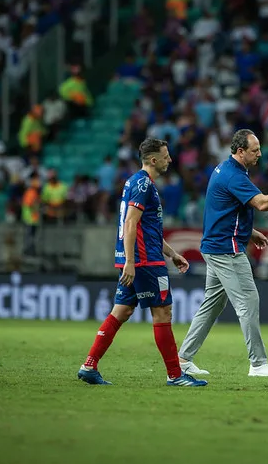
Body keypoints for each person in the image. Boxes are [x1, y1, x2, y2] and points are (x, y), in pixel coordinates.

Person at [178, 129, 268, 377]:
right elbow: (263, 203)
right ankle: (258, 363)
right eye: (255, 150)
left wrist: (250, 231)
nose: (260, 154)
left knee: (212, 305)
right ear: (240, 151)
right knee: (248, 301)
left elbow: (224, 210)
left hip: (216, 245)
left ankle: (183, 359)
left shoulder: (224, 170)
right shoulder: (234, 176)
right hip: (227, 249)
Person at [77, 138, 206, 387]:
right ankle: (175, 375)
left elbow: (148, 229)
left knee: (121, 311)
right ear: (154, 159)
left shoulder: (135, 181)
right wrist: (130, 262)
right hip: (145, 261)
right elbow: (130, 224)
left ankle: (89, 365)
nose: (170, 159)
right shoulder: (144, 184)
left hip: (143, 258)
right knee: (163, 312)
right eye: (166, 156)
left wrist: (172, 253)